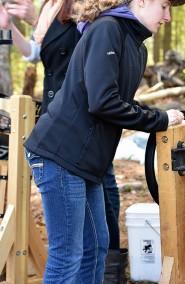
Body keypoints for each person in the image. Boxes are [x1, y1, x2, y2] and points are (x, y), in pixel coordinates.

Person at [15, 0, 185, 282]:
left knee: (96, 247)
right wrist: (160, 120)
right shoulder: (108, 29)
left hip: (86, 161)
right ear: (141, 1)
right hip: (59, 155)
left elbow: (121, 101)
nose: (167, 17)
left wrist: (162, 116)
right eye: (164, 6)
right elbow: (103, 103)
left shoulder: (136, 45)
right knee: (67, 254)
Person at [0, 0, 139, 282]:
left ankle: (113, 272)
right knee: (70, 251)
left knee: (100, 225)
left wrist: (35, 21)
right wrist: (11, 26)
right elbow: (34, 53)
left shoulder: (92, 8)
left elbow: (90, 51)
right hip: (60, 116)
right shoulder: (51, 6)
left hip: (86, 115)